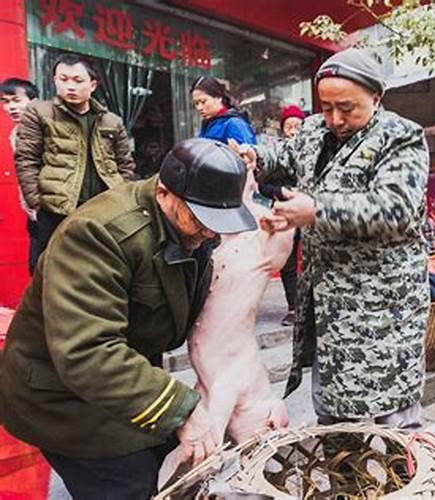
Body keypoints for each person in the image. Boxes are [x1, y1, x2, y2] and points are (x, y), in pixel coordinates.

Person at [0, 138, 257, 498]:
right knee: (129, 485)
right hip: (61, 394)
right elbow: (87, 352)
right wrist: (181, 410)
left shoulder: (189, 226)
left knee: (178, 469)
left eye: (218, 222)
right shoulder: (99, 234)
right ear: (165, 193)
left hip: (119, 379)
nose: (210, 232)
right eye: (201, 220)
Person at [234, 48, 429, 429]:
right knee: (334, 406)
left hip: (383, 308)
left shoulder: (400, 137)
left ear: (376, 97)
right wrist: (253, 157)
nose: (336, 119)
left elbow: (396, 208)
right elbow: (286, 158)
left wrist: (317, 210)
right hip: (328, 303)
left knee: (394, 411)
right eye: (326, 108)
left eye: (347, 108)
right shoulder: (312, 130)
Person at [14, 53, 136, 270]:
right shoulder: (39, 112)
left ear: (93, 84)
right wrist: (36, 201)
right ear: (55, 80)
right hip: (56, 209)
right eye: (63, 79)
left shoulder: (111, 121)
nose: (70, 86)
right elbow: (26, 158)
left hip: (103, 209)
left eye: (78, 81)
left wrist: (121, 195)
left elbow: (125, 164)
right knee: (53, 270)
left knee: (99, 270)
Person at [1, 78, 39, 274]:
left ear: (33, 100)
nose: (10, 107)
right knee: (37, 269)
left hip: (51, 211)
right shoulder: (15, 133)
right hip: (33, 214)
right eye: (5, 102)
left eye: (16, 100)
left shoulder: (47, 129)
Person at [275, 105, 306, 326]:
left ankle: (310, 307)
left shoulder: (313, 151)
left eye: (298, 125)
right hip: (285, 212)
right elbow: (263, 185)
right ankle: (293, 307)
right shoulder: (276, 153)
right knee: (287, 261)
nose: (293, 130)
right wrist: (283, 192)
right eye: (289, 126)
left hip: (308, 212)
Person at [192, 76, 257, 146]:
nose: (199, 107)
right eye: (196, 103)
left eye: (203, 101)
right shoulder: (207, 125)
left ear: (219, 97)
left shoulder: (234, 124)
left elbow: (247, 154)